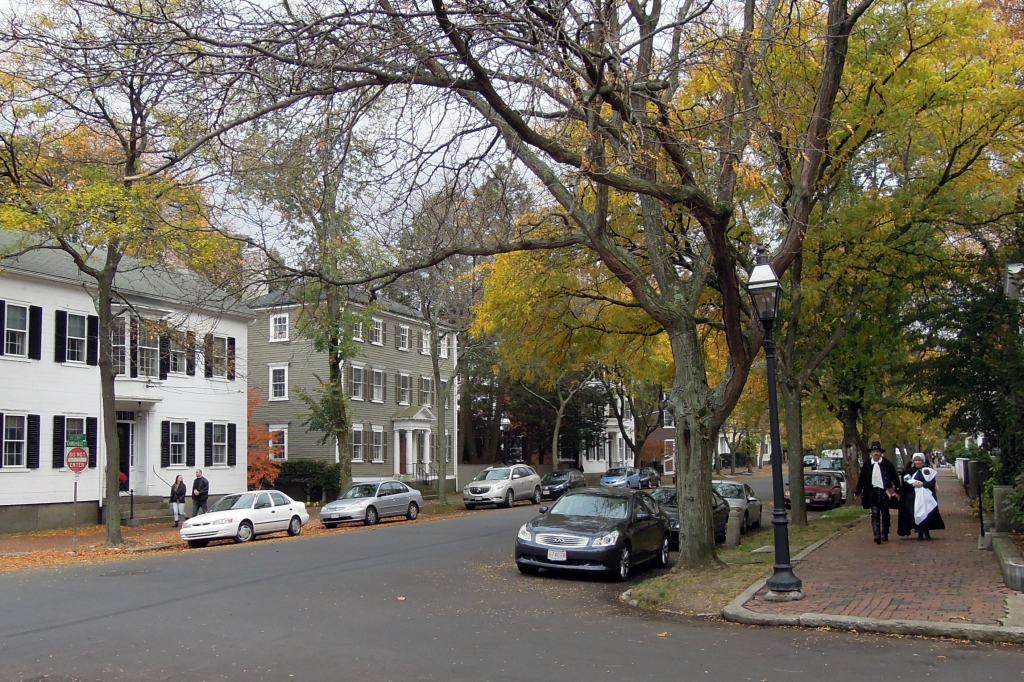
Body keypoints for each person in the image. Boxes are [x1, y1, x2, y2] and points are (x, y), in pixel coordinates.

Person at [855, 441, 899, 544]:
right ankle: (877, 534)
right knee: (874, 513)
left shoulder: (887, 464)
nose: (876, 453)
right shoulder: (867, 465)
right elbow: (862, 479)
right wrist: (857, 491)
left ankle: (885, 532)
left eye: (877, 451)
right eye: (874, 451)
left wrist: (897, 489)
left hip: (885, 491)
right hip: (872, 491)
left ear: (880, 453)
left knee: (885, 513)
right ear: (871, 453)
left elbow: (895, 477)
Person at [898, 453, 945, 540]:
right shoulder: (908, 472)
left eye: (919, 460)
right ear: (913, 461)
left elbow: (932, 483)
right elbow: (905, 484)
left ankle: (927, 532)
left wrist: (923, 484)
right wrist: (913, 485)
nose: (918, 462)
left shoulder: (928, 471)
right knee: (917, 514)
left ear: (923, 461)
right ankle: (919, 533)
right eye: (916, 460)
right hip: (914, 498)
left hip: (927, 497)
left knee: (928, 513)